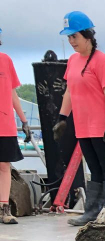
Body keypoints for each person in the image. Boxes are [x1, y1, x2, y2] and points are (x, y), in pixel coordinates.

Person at [53, 11, 105, 227]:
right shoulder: (73, 61)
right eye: (69, 37)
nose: (71, 41)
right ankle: (92, 212)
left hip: (102, 126)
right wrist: (62, 117)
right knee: (93, 168)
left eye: (74, 36)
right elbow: (69, 92)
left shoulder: (103, 62)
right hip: (82, 126)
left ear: (87, 35)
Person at [0, 27, 30, 225]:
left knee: (4, 166)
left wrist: (24, 120)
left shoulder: (6, 60)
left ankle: (4, 209)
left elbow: (12, 93)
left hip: (4, 123)